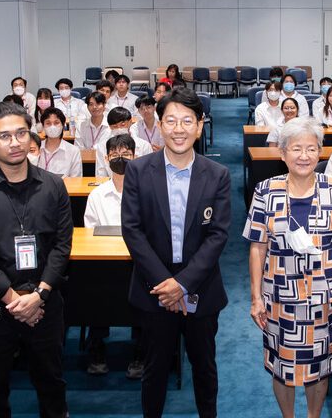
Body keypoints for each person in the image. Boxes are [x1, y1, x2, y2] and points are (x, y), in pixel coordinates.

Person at [0, 101, 73, 418]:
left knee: (52, 383)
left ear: (31, 134)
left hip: (45, 303)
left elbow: (62, 246)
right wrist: (16, 302)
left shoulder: (54, 186)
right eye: (4, 136)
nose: (14, 142)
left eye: (21, 133)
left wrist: (39, 296)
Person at [120, 86, 230, 418]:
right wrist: (166, 284)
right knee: (154, 370)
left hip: (201, 289)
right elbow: (133, 231)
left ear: (199, 126)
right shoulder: (139, 170)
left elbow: (218, 235)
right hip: (154, 290)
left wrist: (182, 284)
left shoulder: (217, 174)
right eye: (171, 121)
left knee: (204, 368)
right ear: (159, 123)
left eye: (187, 121)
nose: (178, 129)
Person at [245, 117, 332, 418]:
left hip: (325, 296)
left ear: (320, 152)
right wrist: (256, 297)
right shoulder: (265, 191)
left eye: (311, 148)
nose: (304, 156)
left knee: (319, 368)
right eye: (296, 149)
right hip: (280, 297)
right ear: (283, 153)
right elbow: (257, 247)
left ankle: (313, 416)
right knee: (281, 368)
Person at [83, 134, 145, 378]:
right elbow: (89, 233)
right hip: (104, 263)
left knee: (144, 294)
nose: (120, 158)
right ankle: (97, 347)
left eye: (126, 154)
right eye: (115, 154)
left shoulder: (146, 191)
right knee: (94, 291)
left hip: (138, 263)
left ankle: (141, 350)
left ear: (134, 156)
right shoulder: (96, 195)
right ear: (107, 158)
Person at [95, 107, 153, 178]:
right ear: (109, 127)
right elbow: (101, 175)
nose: (119, 129)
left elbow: (148, 173)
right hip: (111, 185)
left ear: (130, 122)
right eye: (115, 126)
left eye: (122, 125)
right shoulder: (102, 146)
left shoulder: (144, 145)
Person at [32, 108, 83, 178]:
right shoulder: (36, 148)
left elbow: (76, 180)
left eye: (56, 123)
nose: (52, 127)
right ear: (43, 126)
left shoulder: (73, 151)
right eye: (48, 123)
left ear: (63, 125)